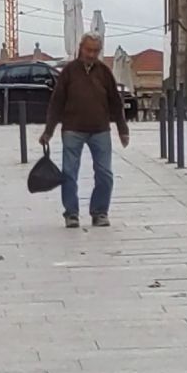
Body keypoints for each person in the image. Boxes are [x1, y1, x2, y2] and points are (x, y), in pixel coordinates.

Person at [39, 32, 129, 229]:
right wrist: (49, 131)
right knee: (69, 172)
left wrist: (123, 129)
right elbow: (56, 103)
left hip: (100, 129)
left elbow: (116, 102)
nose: (91, 54)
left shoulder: (105, 73)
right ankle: (71, 213)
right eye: (88, 50)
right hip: (73, 129)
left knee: (105, 173)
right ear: (81, 48)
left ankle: (100, 212)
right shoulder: (69, 72)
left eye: (96, 51)